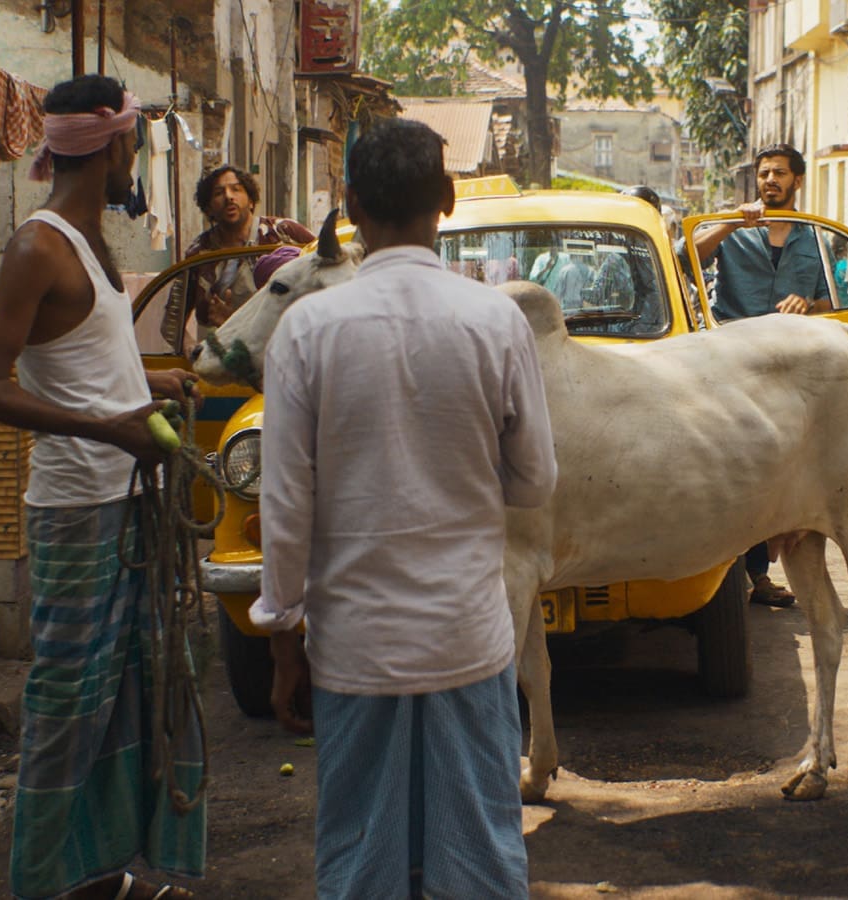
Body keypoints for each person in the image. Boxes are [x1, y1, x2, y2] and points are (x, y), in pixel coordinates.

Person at [252, 118, 557, 897]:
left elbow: (285, 505)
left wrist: (282, 634)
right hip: (468, 638)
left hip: (357, 646)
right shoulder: (496, 321)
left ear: (351, 203)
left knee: (362, 860)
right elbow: (533, 481)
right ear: (447, 198)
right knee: (481, 857)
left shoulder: (307, 330)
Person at [0, 74, 205, 900]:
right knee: (69, 703)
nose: (135, 156)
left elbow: (79, 363)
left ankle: (99, 876)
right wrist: (111, 429)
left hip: (125, 498)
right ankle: (38, 882)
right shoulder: (38, 247)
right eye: (134, 142)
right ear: (113, 145)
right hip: (75, 509)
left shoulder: (93, 241)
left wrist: (150, 384)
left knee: (132, 691)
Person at [691, 143, 832, 608]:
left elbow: (832, 301)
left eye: (780, 173)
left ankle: (757, 574)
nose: (771, 180)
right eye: (765, 173)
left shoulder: (815, 237)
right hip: (733, 365)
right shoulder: (733, 229)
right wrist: (733, 221)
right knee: (731, 467)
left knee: (778, 470)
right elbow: (685, 257)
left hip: (790, 369)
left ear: (797, 181)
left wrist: (807, 304)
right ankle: (720, 572)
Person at [184, 165, 316, 327]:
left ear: (251, 201)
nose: (229, 197)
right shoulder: (199, 254)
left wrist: (231, 320)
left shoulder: (284, 232)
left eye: (236, 189)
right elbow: (172, 323)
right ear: (208, 209)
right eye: (219, 193)